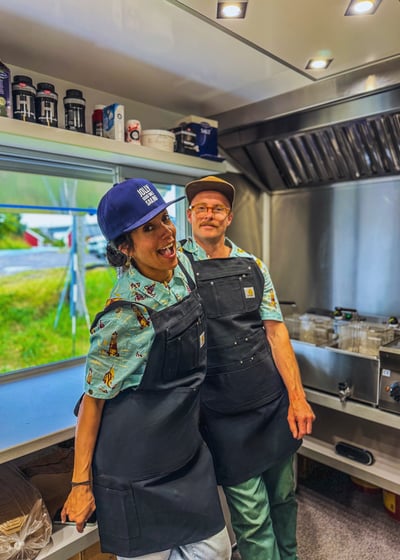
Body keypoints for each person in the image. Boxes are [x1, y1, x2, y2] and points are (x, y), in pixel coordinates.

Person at [61, 178, 231, 560]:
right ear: (125, 247)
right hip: (136, 467)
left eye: (166, 219)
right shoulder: (123, 317)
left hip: (183, 452)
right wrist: (79, 484)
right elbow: (93, 402)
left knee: (215, 550)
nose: (167, 232)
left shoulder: (180, 267)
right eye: (149, 228)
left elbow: (206, 239)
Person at [180, 175, 316, 560]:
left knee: (285, 498)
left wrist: (297, 398)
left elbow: (276, 334)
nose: (209, 214)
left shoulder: (253, 265)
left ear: (229, 217)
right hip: (222, 414)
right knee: (252, 518)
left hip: (272, 404)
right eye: (201, 208)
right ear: (190, 215)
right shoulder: (176, 270)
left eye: (217, 208)